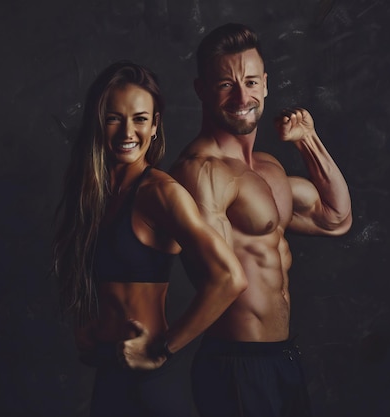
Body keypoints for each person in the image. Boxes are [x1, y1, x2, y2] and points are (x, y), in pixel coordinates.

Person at [170, 23, 353, 417]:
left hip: (283, 357)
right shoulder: (202, 171)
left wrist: (308, 140)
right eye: (225, 85)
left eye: (251, 81)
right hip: (235, 363)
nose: (242, 96)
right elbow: (220, 280)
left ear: (266, 85)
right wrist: (164, 348)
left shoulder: (268, 170)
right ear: (201, 90)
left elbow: (336, 219)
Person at [52, 61, 247, 417]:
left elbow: (229, 278)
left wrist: (162, 350)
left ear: (155, 125)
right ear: (98, 122)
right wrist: (91, 329)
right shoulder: (95, 194)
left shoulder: (160, 193)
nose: (128, 131)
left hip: (150, 385)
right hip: (109, 374)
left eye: (140, 119)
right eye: (114, 117)